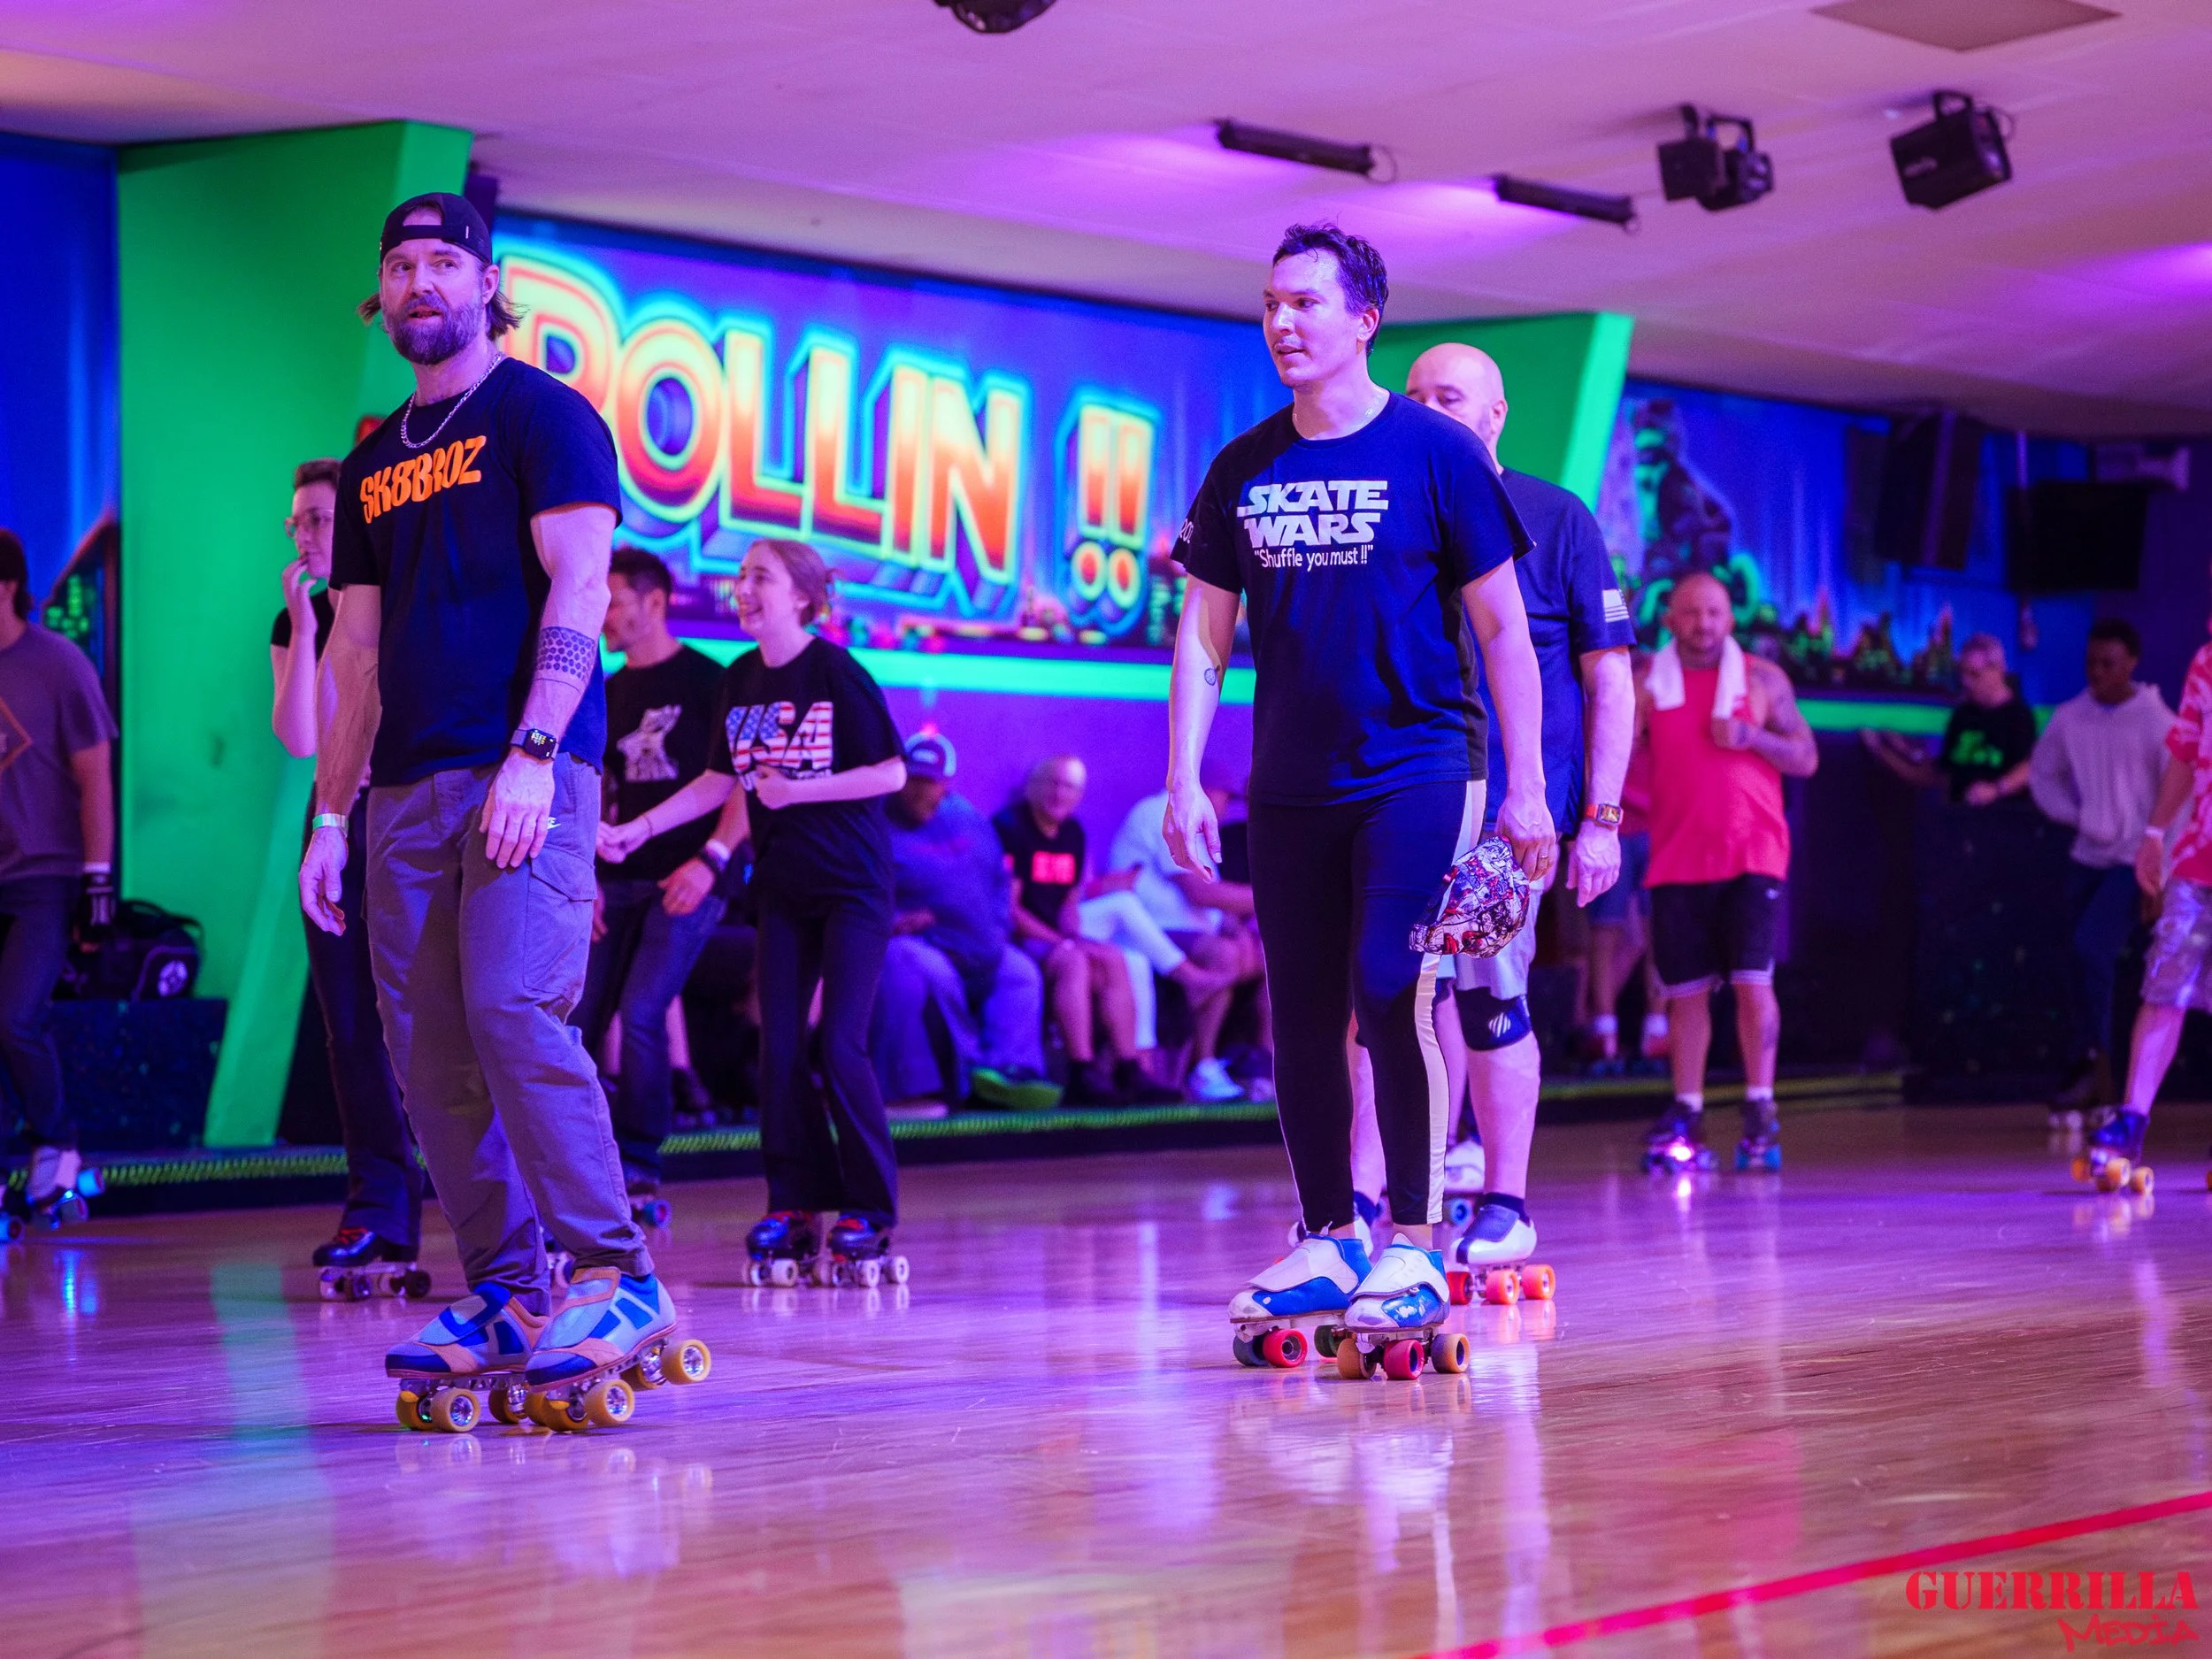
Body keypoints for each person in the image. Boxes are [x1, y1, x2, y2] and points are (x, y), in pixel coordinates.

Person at [303, 192, 680, 1407]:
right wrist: (328, 815)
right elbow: (353, 659)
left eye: (442, 263)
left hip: (528, 772)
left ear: (487, 282)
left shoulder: (543, 414)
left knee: (516, 1009)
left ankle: (616, 1270)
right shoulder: (369, 464)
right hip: (400, 792)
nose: (421, 282)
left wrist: (533, 747)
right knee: (428, 1054)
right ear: (385, 292)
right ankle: (511, 1286)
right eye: (402, 264)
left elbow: (577, 587)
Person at [1165, 222, 1551, 1350]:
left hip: (1419, 772)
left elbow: (1505, 634)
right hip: (1287, 785)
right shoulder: (1244, 465)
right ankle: (1330, 1232)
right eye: (1272, 303)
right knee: (1298, 1015)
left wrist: (1526, 790)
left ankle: (1418, 1241)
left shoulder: (1438, 456)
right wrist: (1184, 775)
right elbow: (1201, 639)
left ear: (1363, 322)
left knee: (1393, 986)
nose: (1284, 322)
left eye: (1307, 305)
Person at [606, 537, 908, 1277]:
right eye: (741, 577)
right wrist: (636, 829)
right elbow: (718, 781)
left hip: (853, 889)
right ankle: (794, 1199)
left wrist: (799, 790)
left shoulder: (834, 669)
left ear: (803, 597)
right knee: (777, 1050)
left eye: (760, 578)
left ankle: (868, 1205)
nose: (743, 588)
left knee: (839, 1044)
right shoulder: (739, 677)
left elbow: (891, 771)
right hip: (783, 888)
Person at [1402, 343, 1636, 1280]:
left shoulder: (1556, 518)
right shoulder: (1396, 519)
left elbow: (1608, 679)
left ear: (1496, 414)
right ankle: (1375, 1206)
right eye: (1413, 396)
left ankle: (1505, 1203)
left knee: (1491, 993)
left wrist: (1602, 819)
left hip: (1511, 817)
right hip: (1406, 806)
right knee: (1389, 1003)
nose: (1428, 410)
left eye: (1448, 397)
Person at [269, 457, 419, 1281]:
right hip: (332, 819)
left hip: (407, 814)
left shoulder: (398, 601)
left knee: (434, 1017)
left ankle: (509, 1216)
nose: (306, 534)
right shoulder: (295, 618)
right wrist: (302, 624)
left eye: (320, 518)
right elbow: (300, 738)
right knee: (349, 1024)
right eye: (296, 521)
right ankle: (377, 1211)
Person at [1638, 572, 1818, 1171]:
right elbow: (1618, 756)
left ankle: (1760, 1105)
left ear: (1730, 618)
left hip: (1752, 853)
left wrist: (1750, 736)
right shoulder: (1646, 685)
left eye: (1714, 612)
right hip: (1676, 855)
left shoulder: (1765, 680)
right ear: (1670, 618)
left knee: (1751, 983)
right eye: (1691, 613)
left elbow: (1807, 757)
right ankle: (1687, 1107)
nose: (1704, 624)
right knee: (1684, 993)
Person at [570, 548, 731, 1218]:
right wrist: (589, 879)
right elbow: (591, 793)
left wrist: (712, 858)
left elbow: (742, 781)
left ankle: (640, 1162)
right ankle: (581, 1166)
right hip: (617, 877)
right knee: (577, 1019)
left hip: (690, 875)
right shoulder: (604, 689)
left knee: (642, 1012)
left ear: (655, 601)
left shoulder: (709, 681)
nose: (603, 614)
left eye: (614, 599)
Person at [996, 755, 1225, 1105]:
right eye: (1052, 783)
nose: (1060, 793)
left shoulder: (1072, 832)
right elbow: (1009, 910)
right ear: (1033, 787)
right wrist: (1064, 941)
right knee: (1092, 941)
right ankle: (1081, 1070)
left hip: (1060, 933)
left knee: (1123, 957)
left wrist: (1076, 922)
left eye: (1069, 786)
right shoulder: (1011, 828)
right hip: (1023, 938)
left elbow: (1070, 899)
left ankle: (1132, 1067)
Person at [0, 526, 114, 1226]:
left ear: (7, 586)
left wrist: (98, 880)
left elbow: (95, 773)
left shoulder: (57, 664)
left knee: (13, 1016)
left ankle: (57, 1146)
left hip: (45, 874)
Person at [2086, 582, 2212, 1186]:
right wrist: (2156, 831)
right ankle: (2131, 1119)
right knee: (2165, 984)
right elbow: (2186, 755)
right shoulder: (2206, 661)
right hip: (2199, 860)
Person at [2029, 618, 2172, 1114]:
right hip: (2086, 857)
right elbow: (2043, 773)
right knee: (2077, 960)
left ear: (2131, 662)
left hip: (2132, 861)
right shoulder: (2071, 717)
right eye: (2091, 662)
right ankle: (2087, 1063)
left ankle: (2104, 1071)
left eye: (2108, 663)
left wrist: (2160, 871)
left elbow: (2181, 799)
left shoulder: (2158, 722)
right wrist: (2077, 815)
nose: (2097, 672)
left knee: (2092, 948)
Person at [874, 731, 1057, 1112]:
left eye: (931, 783)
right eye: (913, 780)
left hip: (979, 944)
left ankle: (1011, 1073)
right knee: (922, 970)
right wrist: (894, 919)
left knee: (1021, 973)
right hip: (919, 943)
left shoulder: (969, 820)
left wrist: (997, 927)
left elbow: (998, 880)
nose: (920, 792)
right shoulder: (876, 824)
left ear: (947, 784)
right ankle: (949, 1078)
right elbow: (856, 892)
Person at [1108, 773, 1268, 1102]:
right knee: (1224, 957)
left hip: (1185, 932)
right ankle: (1203, 1067)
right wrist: (1276, 897)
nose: (1227, 809)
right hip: (1146, 930)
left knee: (1262, 956)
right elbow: (1199, 891)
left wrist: (1236, 928)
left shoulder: (1197, 826)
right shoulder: (1164, 811)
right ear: (1210, 791)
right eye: (1226, 798)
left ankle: (1262, 1063)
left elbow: (1215, 905)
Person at [1861, 632, 2035, 805]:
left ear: (1997, 670)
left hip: (2000, 822)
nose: (1966, 682)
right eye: (1963, 674)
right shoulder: (1963, 715)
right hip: (1958, 822)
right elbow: (1939, 774)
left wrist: (1996, 790)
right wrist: (1887, 750)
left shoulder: (2018, 717)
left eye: (1974, 674)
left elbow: (2030, 768)